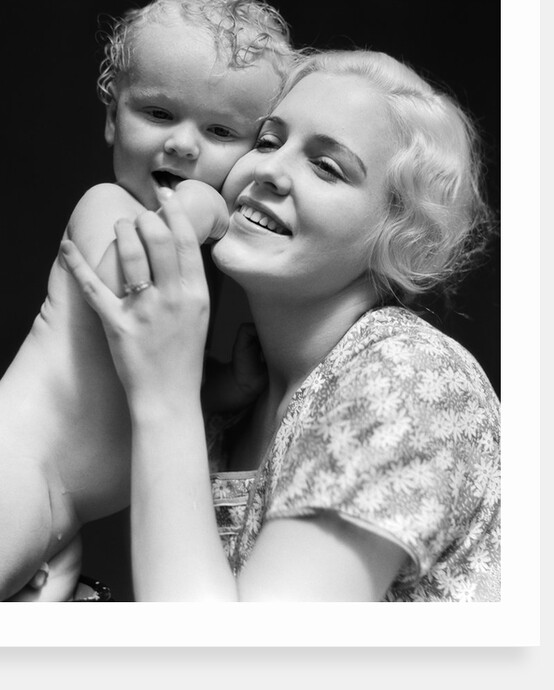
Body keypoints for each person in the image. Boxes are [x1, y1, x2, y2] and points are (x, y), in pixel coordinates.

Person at [60, 48, 501, 601]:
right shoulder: (233, 407)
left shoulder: (408, 377)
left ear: (398, 236)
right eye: (268, 141)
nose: (267, 170)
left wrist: (163, 393)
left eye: (326, 166)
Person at [0, 0, 293, 601]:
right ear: (113, 118)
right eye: (158, 113)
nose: (183, 143)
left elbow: (148, 376)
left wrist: (222, 386)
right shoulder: (106, 207)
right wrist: (199, 208)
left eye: (220, 132)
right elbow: (119, 291)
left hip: (53, 508)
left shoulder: (185, 260)